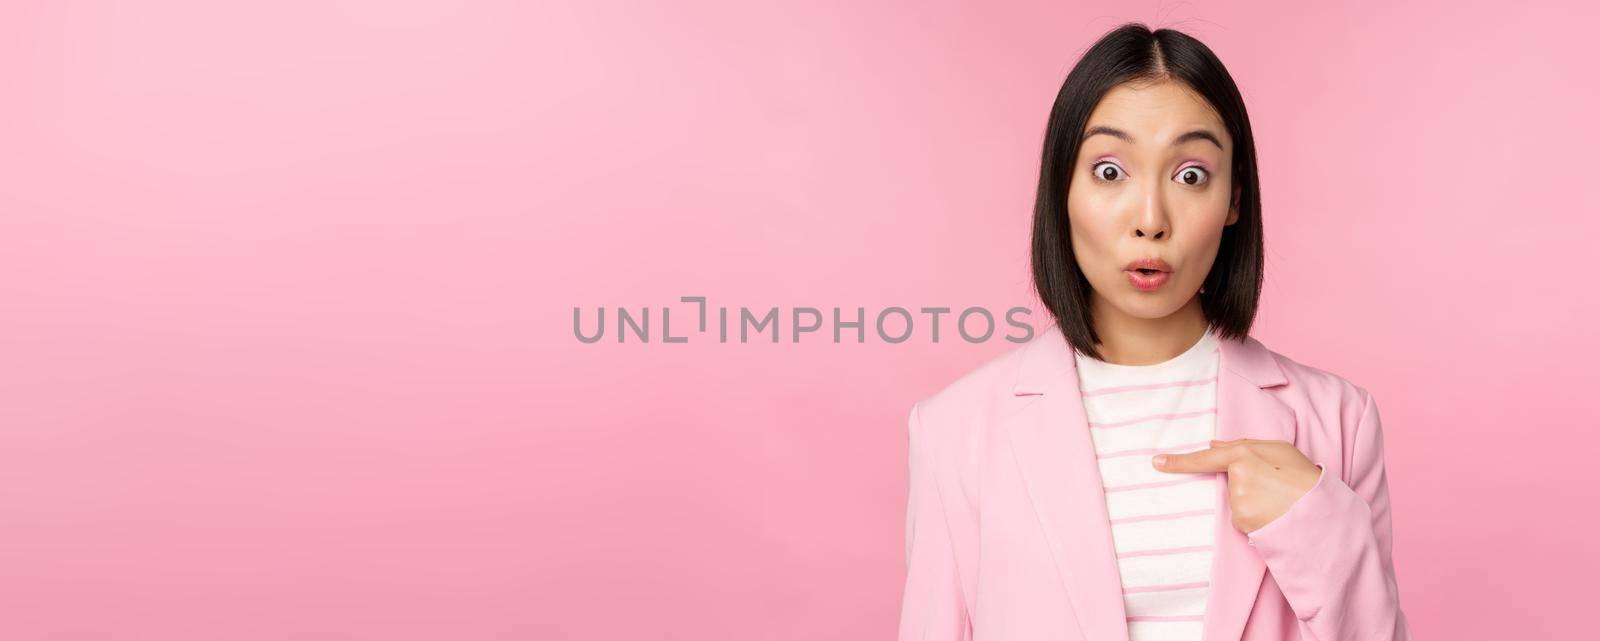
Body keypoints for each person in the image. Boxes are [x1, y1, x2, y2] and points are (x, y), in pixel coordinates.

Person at [897, 23, 1411, 641]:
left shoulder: (1339, 420)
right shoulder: (955, 430)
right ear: (1062, 188)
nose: (1150, 220)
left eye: (1190, 175)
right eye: (1111, 172)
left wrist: (1319, 527)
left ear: (1234, 199)